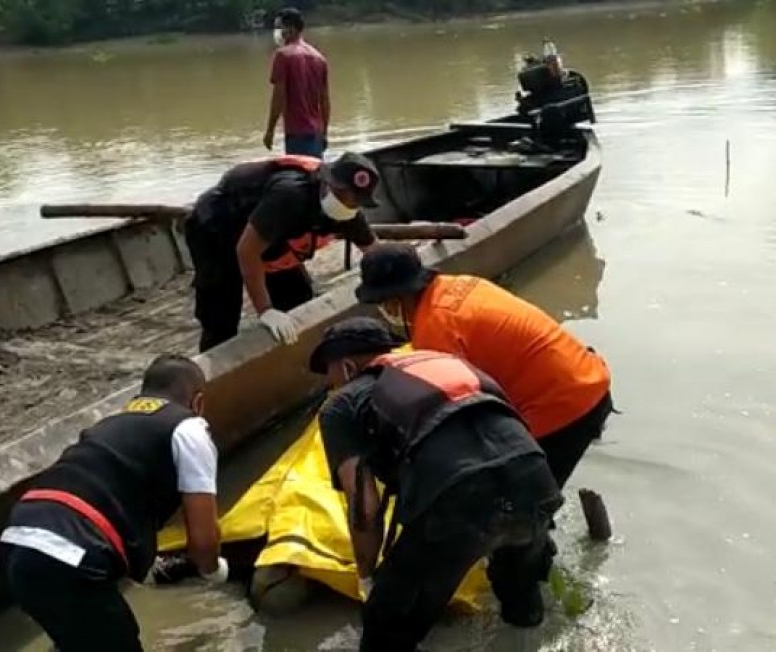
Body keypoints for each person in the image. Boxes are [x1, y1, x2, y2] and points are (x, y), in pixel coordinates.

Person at [310, 317, 563, 652]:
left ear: (345, 368)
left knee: (387, 628)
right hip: (535, 481)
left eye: (329, 376)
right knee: (522, 609)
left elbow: (365, 507)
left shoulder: (341, 404)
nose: (330, 386)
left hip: (462, 498)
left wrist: (369, 578)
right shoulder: (448, 363)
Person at [0, 355, 228, 652]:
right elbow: (203, 540)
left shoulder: (110, 427)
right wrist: (212, 571)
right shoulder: (189, 429)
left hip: (17, 546)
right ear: (197, 403)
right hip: (70, 552)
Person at [353, 242, 614, 488]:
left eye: (382, 303)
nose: (384, 310)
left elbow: (451, 415)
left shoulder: (436, 328)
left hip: (561, 409)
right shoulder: (462, 284)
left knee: (517, 505)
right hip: (589, 379)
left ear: (395, 299)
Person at [185, 151, 380, 352]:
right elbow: (247, 251)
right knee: (221, 315)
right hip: (217, 229)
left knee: (298, 300)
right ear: (326, 183)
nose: (346, 205)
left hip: (271, 235)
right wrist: (265, 310)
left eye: (355, 202)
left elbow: (375, 251)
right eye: (341, 195)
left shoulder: (350, 214)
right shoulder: (290, 195)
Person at [264, 7, 330, 158]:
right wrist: (325, 133)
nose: (278, 32)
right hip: (316, 133)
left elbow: (278, 98)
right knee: (315, 176)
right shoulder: (319, 58)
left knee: (299, 177)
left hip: (297, 133)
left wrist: (270, 131)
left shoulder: (283, 55)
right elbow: (325, 101)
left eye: (280, 27)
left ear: (291, 28)